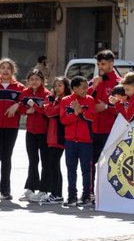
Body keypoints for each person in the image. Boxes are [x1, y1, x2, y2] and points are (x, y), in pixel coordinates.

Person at [60, 76, 96, 207]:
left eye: (87, 87)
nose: (86, 89)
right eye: (83, 87)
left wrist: (81, 112)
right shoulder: (65, 101)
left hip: (85, 141)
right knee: (71, 170)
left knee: (86, 170)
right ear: (74, 88)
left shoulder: (90, 100)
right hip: (70, 141)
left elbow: (92, 117)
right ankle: (72, 196)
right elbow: (63, 120)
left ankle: (86, 196)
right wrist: (75, 114)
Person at [18, 69, 50, 201]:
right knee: (33, 161)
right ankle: (30, 189)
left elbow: (47, 112)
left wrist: (35, 107)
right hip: (30, 132)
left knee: (45, 162)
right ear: (28, 81)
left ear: (42, 81)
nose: (34, 81)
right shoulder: (25, 93)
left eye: (37, 79)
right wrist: (27, 110)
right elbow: (20, 109)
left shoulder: (47, 94)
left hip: (44, 132)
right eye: (32, 79)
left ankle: (43, 190)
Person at [90, 50, 121, 175]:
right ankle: (89, 188)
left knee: (109, 165)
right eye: (98, 64)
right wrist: (93, 86)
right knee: (89, 164)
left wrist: (107, 107)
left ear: (111, 64)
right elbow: (83, 100)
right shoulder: (94, 81)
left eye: (102, 64)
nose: (100, 67)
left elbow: (123, 109)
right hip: (92, 130)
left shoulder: (119, 83)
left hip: (110, 131)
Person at [37, 75, 67, 204]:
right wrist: (47, 105)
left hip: (59, 137)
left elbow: (50, 112)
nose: (57, 88)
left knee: (53, 165)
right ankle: (56, 194)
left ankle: (56, 194)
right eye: (55, 86)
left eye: (60, 85)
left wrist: (47, 105)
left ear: (66, 86)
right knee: (54, 166)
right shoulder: (54, 99)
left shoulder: (64, 100)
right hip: (52, 137)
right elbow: (47, 111)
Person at [0, 58, 25, 201]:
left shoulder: (19, 88)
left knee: (6, 157)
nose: (5, 70)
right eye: (2, 67)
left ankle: (5, 190)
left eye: (8, 68)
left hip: (11, 127)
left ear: (13, 71)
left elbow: (25, 104)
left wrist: (17, 105)